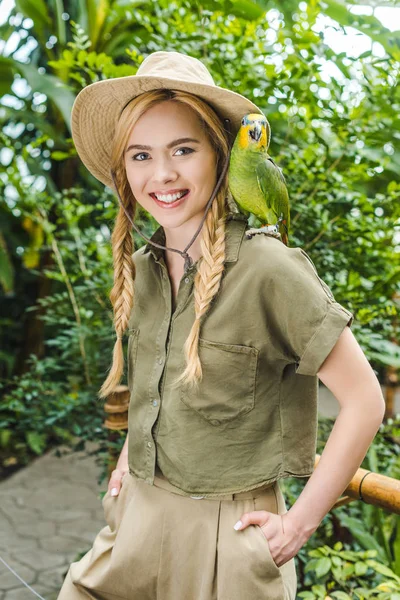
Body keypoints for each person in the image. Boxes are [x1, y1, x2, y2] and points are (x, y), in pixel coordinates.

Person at [57, 51, 385, 600]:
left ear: (220, 155)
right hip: (134, 515)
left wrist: (298, 523)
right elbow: (155, 385)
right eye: (141, 155)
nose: (162, 174)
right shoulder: (143, 269)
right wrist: (124, 469)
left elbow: (366, 401)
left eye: (183, 150)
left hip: (227, 535)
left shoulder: (268, 268)